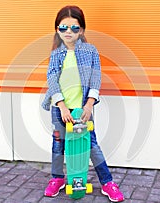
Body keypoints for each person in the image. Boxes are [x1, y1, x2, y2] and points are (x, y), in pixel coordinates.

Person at [41, 5, 124, 202]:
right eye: (63, 28)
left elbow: (95, 79)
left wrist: (89, 105)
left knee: (91, 145)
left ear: (82, 30)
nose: (68, 32)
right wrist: (61, 105)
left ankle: (107, 182)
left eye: (74, 28)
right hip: (60, 110)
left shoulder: (90, 51)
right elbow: (52, 78)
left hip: (82, 111)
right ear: (57, 30)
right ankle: (57, 179)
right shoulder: (56, 53)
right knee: (58, 145)